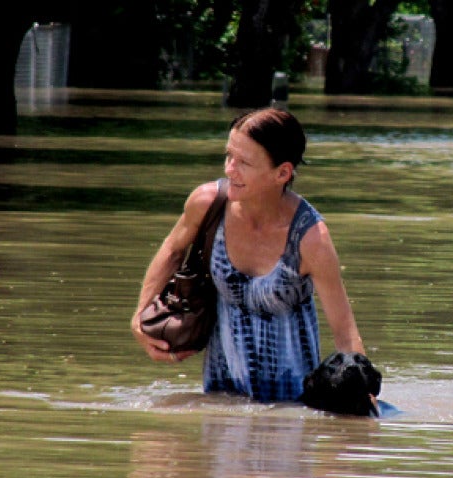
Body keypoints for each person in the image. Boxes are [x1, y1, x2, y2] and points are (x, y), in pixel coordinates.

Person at [131, 108, 366, 403]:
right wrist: (140, 319)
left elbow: (345, 334)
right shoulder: (207, 205)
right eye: (229, 156)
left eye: (244, 162)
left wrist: (362, 413)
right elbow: (172, 250)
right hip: (220, 399)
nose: (230, 169)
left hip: (291, 409)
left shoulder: (310, 239)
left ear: (282, 173)